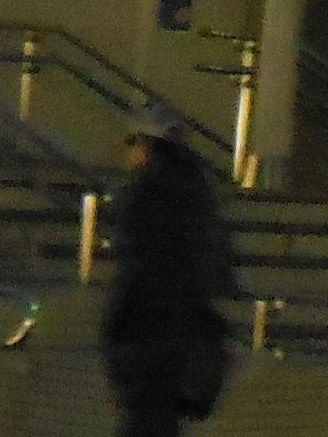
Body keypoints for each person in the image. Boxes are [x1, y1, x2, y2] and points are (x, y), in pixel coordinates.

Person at [104, 116, 235, 437]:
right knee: (160, 418)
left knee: (144, 416)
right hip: (186, 323)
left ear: (146, 146)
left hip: (149, 325)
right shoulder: (198, 192)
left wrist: (116, 326)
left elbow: (138, 266)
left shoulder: (145, 194)